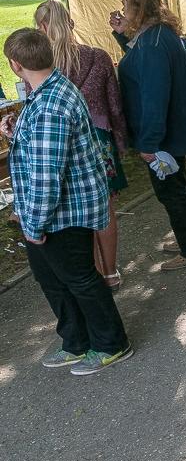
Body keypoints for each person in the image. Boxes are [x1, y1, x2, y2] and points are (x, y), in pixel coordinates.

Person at [2, 28, 133, 375]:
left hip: (61, 213)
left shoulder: (50, 105)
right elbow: (47, 148)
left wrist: (34, 224)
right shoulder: (49, 91)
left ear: (16, 65)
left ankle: (111, 343)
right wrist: (17, 132)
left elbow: (47, 175)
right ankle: (76, 341)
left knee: (80, 279)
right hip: (52, 211)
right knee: (53, 279)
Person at [110, 0, 186, 271]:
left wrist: (149, 143)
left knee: (172, 192)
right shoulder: (161, 33)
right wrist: (121, 35)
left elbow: (154, 96)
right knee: (177, 187)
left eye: (126, 4)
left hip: (163, 133)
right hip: (173, 129)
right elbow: (139, 59)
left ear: (137, 8)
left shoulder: (155, 41)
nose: (123, 10)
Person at [35, 0, 129, 291]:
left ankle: (94, 273)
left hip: (62, 146)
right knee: (105, 209)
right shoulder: (98, 57)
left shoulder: (40, 66)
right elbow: (115, 105)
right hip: (99, 143)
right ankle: (110, 272)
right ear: (71, 22)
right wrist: (121, 140)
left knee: (78, 213)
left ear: (41, 27)